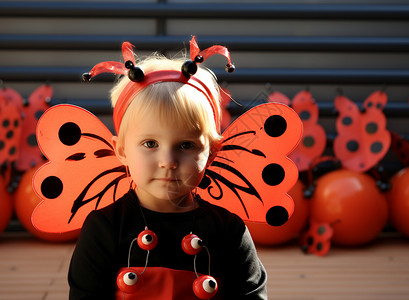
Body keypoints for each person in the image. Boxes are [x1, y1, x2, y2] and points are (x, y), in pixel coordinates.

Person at [67, 38, 268, 299]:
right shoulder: (104, 229)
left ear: (212, 153)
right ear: (122, 150)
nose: (168, 160)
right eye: (150, 143)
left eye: (185, 145)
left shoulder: (229, 232)